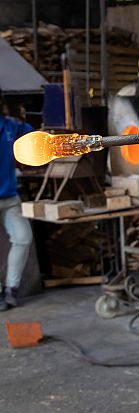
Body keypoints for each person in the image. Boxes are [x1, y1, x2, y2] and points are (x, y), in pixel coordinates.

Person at [0, 93, 34, 311]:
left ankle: (11, 288)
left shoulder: (12, 127)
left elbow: (35, 138)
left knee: (23, 237)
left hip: (9, 196)